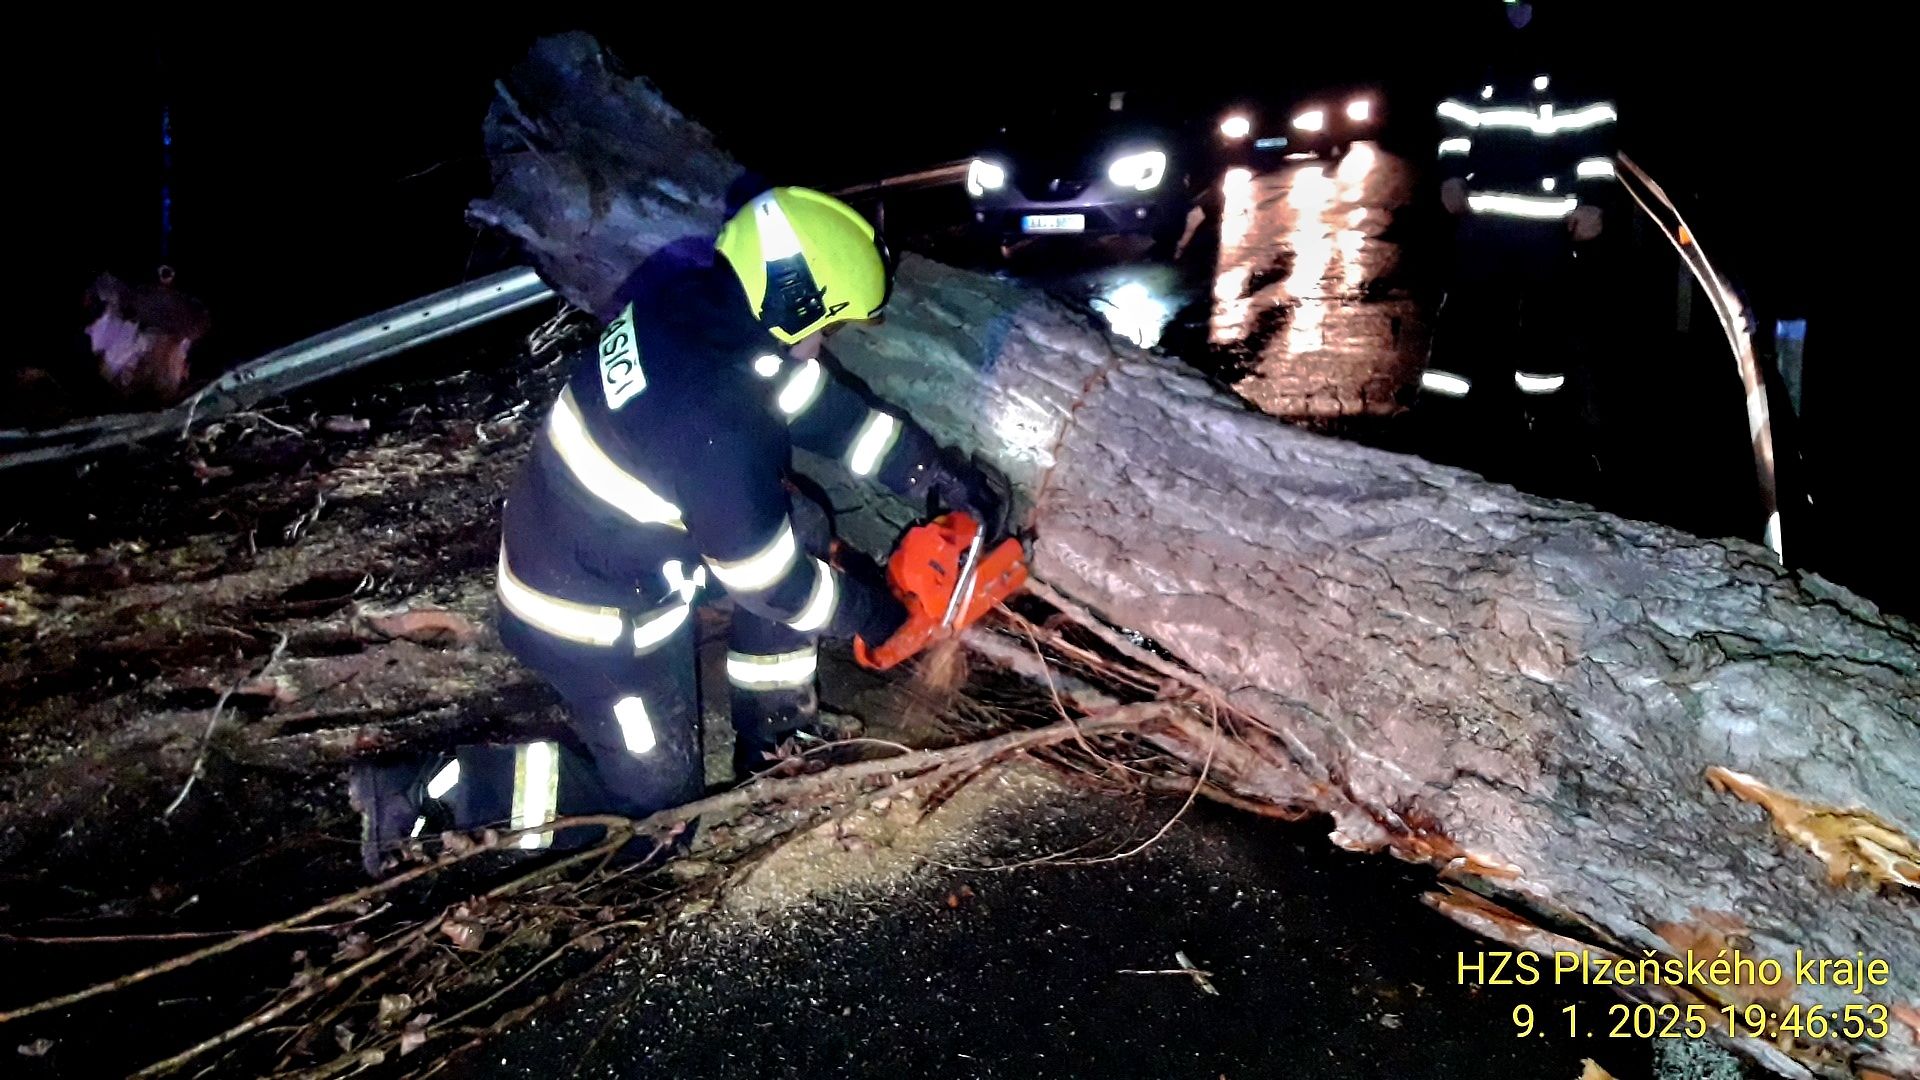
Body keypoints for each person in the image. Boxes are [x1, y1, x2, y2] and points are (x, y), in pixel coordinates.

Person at [350, 186, 1006, 874]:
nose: (824, 346)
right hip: (591, 622)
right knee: (660, 821)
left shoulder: (696, 312)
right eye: (831, 326)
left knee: (802, 522)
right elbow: (768, 581)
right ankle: (428, 793)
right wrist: (875, 615)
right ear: (799, 305)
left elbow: (814, 405)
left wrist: (926, 471)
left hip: (599, 550)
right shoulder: (715, 416)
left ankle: (777, 742)